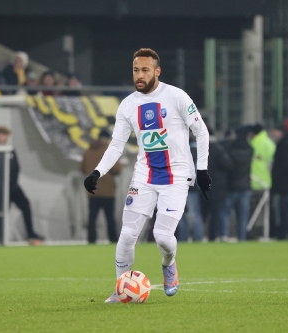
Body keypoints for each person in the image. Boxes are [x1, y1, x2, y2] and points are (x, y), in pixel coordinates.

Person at [83, 48, 211, 303]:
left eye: (144, 70)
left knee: (162, 237)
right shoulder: (128, 105)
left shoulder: (176, 96)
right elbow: (116, 145)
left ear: (157, 71)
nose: (139, 75)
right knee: (127, 235)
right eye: (135, 70)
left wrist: (203, 169)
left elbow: (202, 132)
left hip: (176, 177)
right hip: (144, 176)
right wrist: (98, 171)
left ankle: (169, 263)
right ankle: (122, 290)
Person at [0, 126, 44, 244]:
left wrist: (13, 182)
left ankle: (30, 233)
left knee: (26, 205)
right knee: (3, 212)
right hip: (1, 189)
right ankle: (1, 238)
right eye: (2, 135)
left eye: (6, 135)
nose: (4, 137)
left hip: (13, 187)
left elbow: (17, 167)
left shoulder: (11, 150)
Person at [80, 129, 121, 244]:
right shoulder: (109, 151)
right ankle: (113, 240)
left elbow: (82, 169)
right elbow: (117, 169)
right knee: (110, 218)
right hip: (108, 191)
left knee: (92, 218)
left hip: (92, 190)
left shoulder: (88, 151)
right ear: (108, 138)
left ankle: (91, 240)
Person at [220, 126, 254, 241]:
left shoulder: (230, 148)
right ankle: (242, 237)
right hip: (245, 186)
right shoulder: (250, 150)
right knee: (243, 216)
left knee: (225, 212)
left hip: (231, 186)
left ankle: (224, 235)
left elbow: (227, 165)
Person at [205, 127, 232, 241]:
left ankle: (200, 235)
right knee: (217, 212)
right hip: (217, 186)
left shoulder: (198, 148)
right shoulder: (219, 149)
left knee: (203, 213)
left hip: (201, 185)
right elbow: (228, 165)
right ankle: (215, 235)